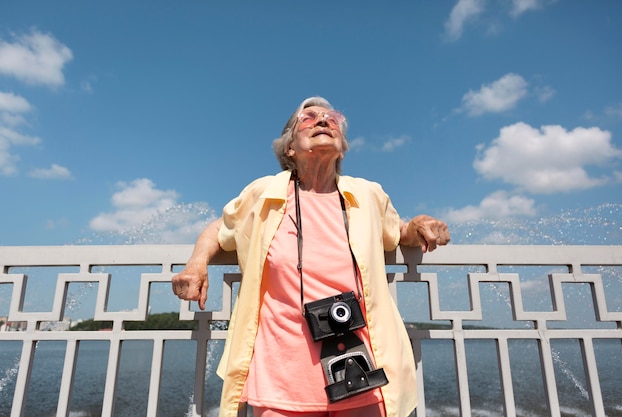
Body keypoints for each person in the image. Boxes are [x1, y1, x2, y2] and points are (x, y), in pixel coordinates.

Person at [171, 97, 450, 417]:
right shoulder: (262, 194)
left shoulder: (367, 194)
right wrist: (196, 264)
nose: (322, 121)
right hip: (280, 370)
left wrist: (420, 225)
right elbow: (219, 230)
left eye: (332, 119)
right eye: (308, 118)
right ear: (289, 148)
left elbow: (400, 232)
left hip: (358, 364)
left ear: (342, 148)